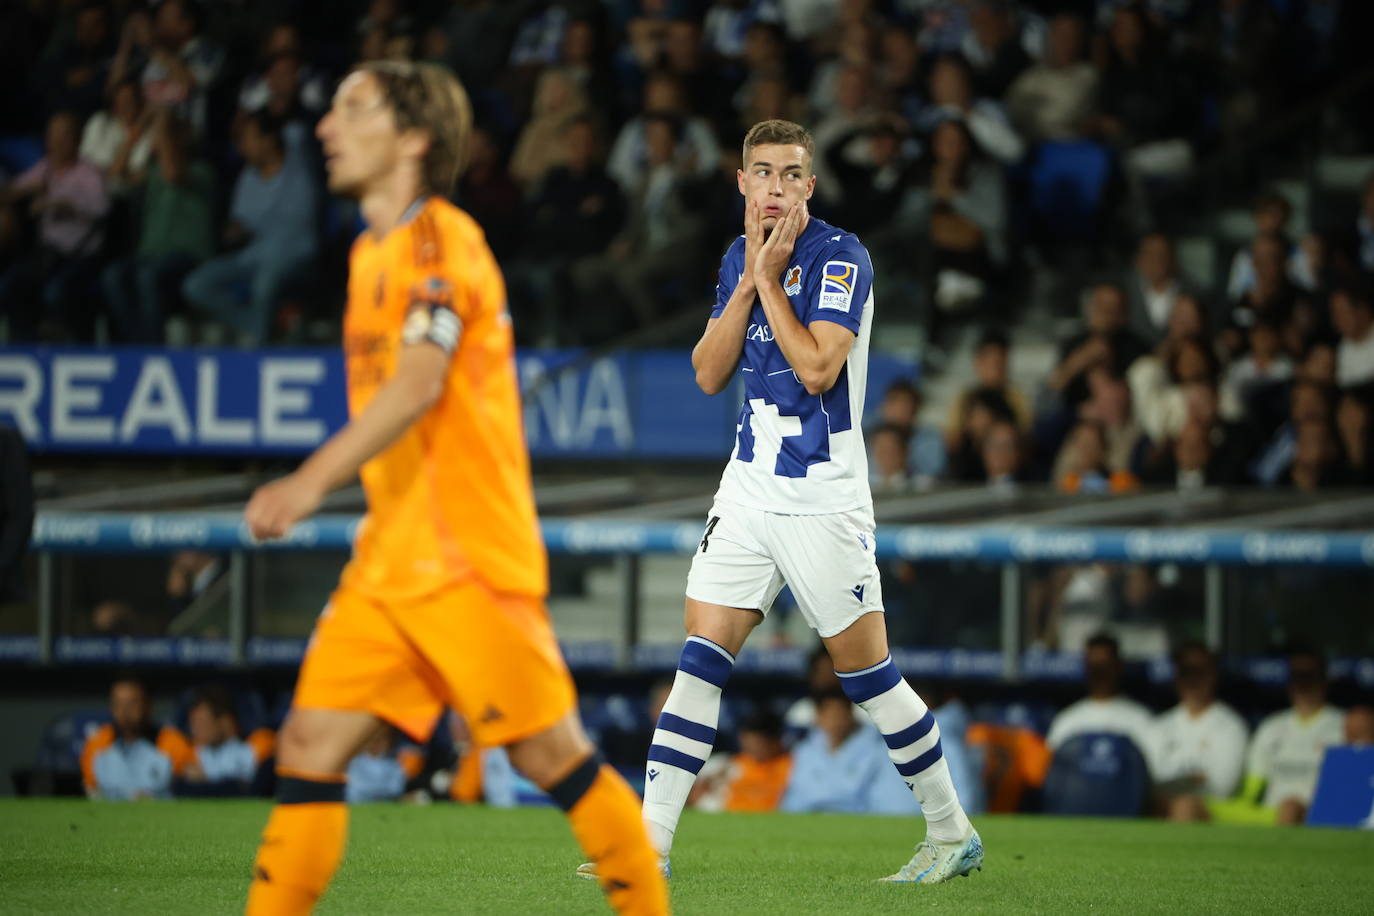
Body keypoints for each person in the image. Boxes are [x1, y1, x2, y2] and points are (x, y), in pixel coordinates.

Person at [239, 61, 667, 916]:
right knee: (309, 744)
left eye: (350, 108)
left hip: (465, 554)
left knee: (550, 757)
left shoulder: (443, 241)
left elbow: (421, 381)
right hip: (389, 560)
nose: (324, 127)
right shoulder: (368, 256)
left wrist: (310, 480)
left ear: (413, 139)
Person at [579, 119, 982, 886]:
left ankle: (950, 829)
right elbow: (706, 371)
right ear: (741, 182)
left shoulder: (842, 256)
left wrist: (771, 280)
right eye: (762, 172)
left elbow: (820, 369)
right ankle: (646, 848)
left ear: (810, 186)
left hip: (821, 499)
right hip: (747, 489)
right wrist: (751, 275)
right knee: (698, 662)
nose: (775, 186)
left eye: (790, 174)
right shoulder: (736, 256)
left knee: (867, 677)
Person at [180, 112, 318, 345]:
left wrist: (249, 113)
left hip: (296, 254)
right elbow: (241, 222)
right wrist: (234, 231)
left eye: (248, 138)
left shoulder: (298, 162)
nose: (242, 146)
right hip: (254, 256)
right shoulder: (248, 177)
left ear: (269, 140)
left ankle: (259, 344)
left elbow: (297, 131)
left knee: (264, 283)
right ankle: (259, 327)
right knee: (196, 286)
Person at [1237, 647, 1344, 826]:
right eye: (1297, 676)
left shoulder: (1343, 725)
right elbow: (1253, 787)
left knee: (1290, 807)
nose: (1303, 683)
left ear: (1324, 679)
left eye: (1309, 675)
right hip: (1271, 815)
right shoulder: (1271, 725)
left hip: (1321, 818)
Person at [1148, 642, 1249, 822]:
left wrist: (1175, 786)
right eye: (1186, 672)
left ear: (1213, 676)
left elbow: (1223, 787)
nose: (1193, 680)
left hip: (1216, 811)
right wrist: (1191, 780)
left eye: (1200, 672)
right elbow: (1150, 781)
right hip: (1164, 804)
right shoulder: (1160, 725)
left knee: (1185, 805)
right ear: (1177, 677)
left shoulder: (1230, 725)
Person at [781, 688, 922, 815]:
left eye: (839, 714)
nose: (835, 721)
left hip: (857, 821)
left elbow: (883, 798)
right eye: (829, 715)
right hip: (809, 820)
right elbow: (795, 797)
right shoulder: (804, 751)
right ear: (818, 718)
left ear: (850, 715)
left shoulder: (875, 750)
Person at [81, 677, 192, 801]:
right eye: (118, 704)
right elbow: (91, 791)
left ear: (147, 704)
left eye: (132, 703)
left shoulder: (173, 742)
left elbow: (189, 788)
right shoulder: (97, 742)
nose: (124, 711)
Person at [1045, 633, 1154, 759]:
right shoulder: (1067, 722)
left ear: (1119, 667)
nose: (1100, 674)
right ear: (1085, 668)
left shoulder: (1141, 720)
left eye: (1105, 667)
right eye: (1094, 667)